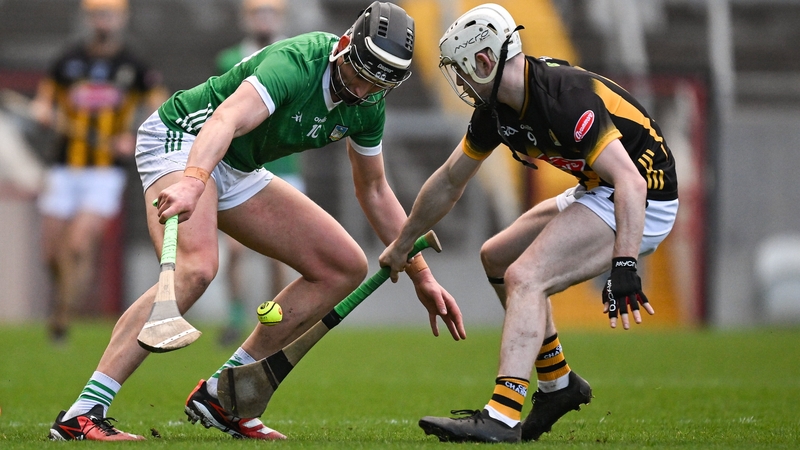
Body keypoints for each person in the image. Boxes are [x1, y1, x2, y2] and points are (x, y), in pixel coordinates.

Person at [48, 1, 466, 442]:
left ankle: (224, 393)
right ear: (345, 46)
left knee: (343, 266)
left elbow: (376, 191)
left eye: (381, 81)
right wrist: (193, 180)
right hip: (185, 139)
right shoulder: (296, 64)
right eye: (362, 73)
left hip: (239, 164)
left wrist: (421, 274)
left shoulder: (368, 105)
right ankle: (82, 413)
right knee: (196, 269)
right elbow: (225, 120)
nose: (363, 90)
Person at [379, 3, 678, 444]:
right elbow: (448, 182)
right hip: (599, 187)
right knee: (497, 257)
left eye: (461, 71)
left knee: (525, 276)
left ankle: (501, 416)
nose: (459, 83)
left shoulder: (563, 98)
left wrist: (626, 264)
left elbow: (631, 182)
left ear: (484, 61)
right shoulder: (497, 110)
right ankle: (558, 385)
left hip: (643, 196)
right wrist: (403, 242)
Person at [30, 0, 167, 343]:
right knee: (51, 252)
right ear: (88, 18)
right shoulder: (68, 60)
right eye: (97, 14)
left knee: (77, 244)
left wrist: (132, 136)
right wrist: (43, 111)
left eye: (110, 14)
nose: (103, 20)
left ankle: (61, 317)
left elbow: (160, 109)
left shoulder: (134, 65)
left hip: (104, 173)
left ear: (122, 18)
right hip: (63, 167)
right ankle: (64, 301)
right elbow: (44, 101)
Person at [215, 0, 306, 346]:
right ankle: (235, 318)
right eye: (258, 12)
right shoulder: (228, 61)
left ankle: (274, 323)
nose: (264, 18)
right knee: (235, 252)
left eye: (270, 12)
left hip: (284, 169)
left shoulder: (297, 56)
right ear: (246, 17)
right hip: (241, 168)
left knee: (278, 255)